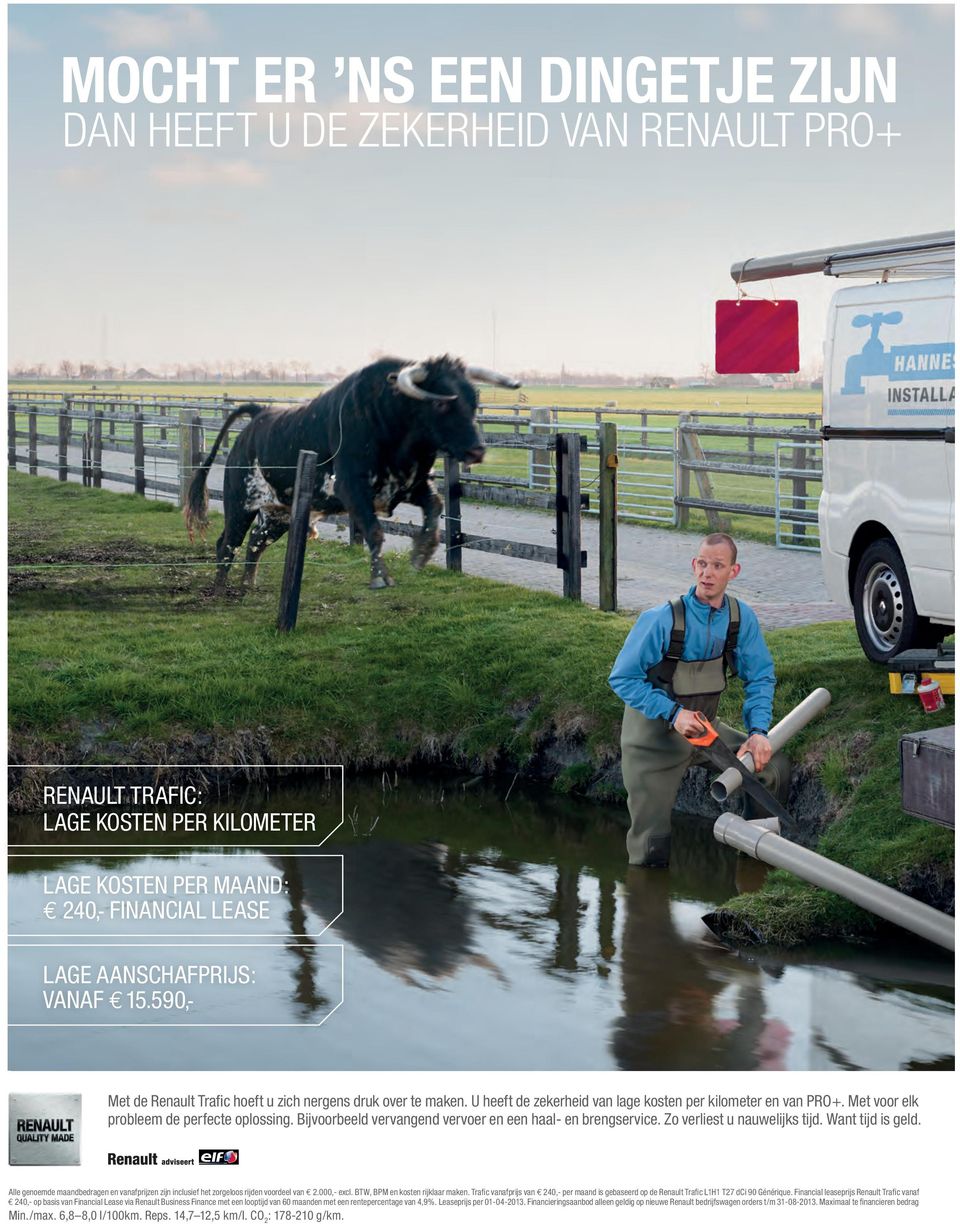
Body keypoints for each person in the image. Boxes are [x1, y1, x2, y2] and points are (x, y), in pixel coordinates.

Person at [609, 532, 790, 867]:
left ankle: (754, 871)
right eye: (702, 564)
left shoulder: (740, 618)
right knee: (651, 847)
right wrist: (674, 713)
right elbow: (621, 678)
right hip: (653, 743)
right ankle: (644, 910)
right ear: (694, 566)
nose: (707, 572)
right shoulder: (660, 619)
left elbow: (761, 677)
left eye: (717, 566)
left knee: (772, 768)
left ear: (732, 572)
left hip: (707, 734)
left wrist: (758, 731)